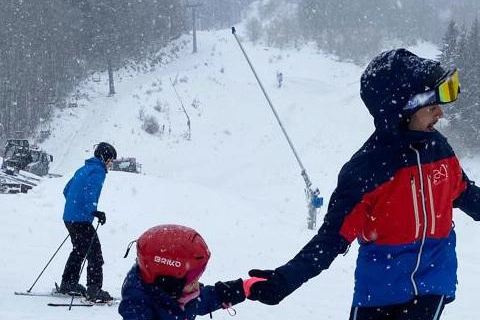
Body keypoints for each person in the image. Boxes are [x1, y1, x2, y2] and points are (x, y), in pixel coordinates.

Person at [245, 48, 480, 319]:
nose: (441, 114)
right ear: (401, 111)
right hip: (380, 292)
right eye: (431, 106)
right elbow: (331, 239)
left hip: (433, 284)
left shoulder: (439, 150)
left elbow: (465, 193)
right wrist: (286, 279)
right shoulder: (367, 171)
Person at [118, 224, 247, 320]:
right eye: (192, 282)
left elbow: (200, 301)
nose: (197, 286)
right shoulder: (137, 307)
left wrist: (242, 289)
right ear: (168, 282)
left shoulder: (178, 294)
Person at [57, 142, 117, 302]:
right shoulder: (98, 171)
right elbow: (90, 192)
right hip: (81, 219)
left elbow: (66, 190)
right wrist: (93, 210)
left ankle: (68, 283)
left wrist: (74, 207)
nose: (111, 164)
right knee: (95, 253)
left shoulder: (83, 169)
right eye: (110, 160)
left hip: (69, 218)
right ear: (104, 158)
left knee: (79, 250)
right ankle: (94, 289)